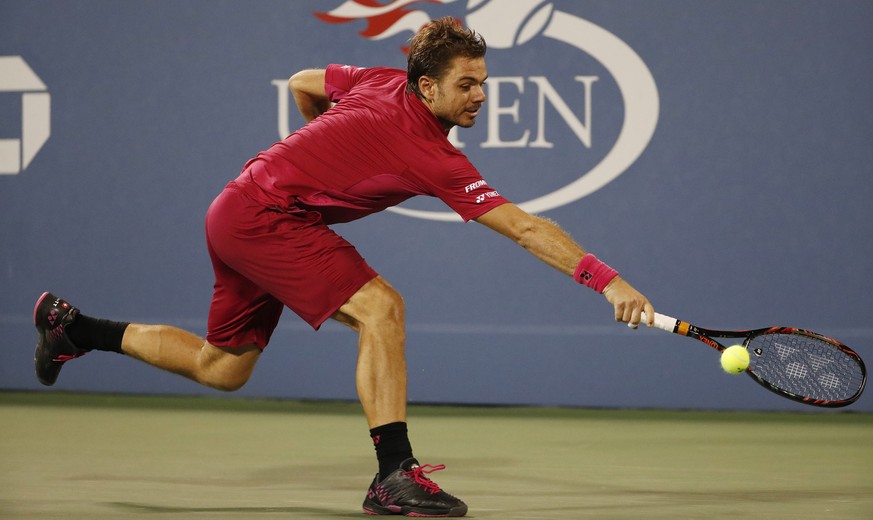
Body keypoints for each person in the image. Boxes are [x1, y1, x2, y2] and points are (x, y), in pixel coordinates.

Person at [33, 17, 655, 518]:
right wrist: (609, 281)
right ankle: (393, 476)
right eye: (467, 84)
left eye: (483, 82)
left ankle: (76, 329)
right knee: (382, 309)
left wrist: (322, 157)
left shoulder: (381, 80)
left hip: (236, 208)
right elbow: (523, 227)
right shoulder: (431, 155)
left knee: (222, 368)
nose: (481, 96)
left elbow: (303, 80)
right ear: (428, 87)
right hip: (266, 218)